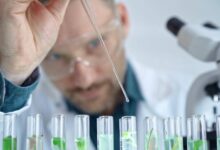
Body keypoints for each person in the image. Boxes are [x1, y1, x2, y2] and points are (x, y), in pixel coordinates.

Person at [0, 0, 192, 149]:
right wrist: (16, 68)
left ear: (123, 20)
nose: (84, 79)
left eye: (94, 44)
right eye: (56, 56)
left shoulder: (196, 101)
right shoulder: (18, 118)